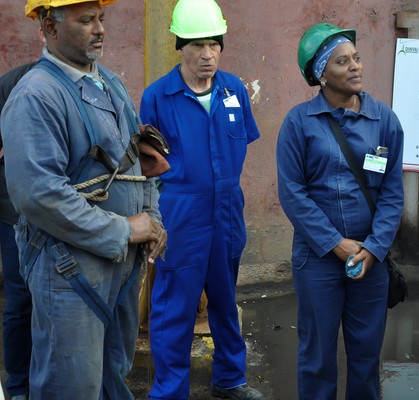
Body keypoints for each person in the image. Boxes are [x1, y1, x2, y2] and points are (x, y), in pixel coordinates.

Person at [0, 0, 168, 398]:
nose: (100, 30)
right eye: (86, 20)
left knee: (112, 377)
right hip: (68, 270)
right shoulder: (36, 96)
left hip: (119, 267)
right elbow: (39, 195)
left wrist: (152, 218)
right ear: (50, 26)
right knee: (70, 384)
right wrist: (124, 229)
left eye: (102, 19)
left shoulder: (109, 82)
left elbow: (135, 163)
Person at [138, 0, 262, 399]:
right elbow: (147, 165)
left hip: (227, 210)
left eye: (214, 45)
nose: (207, 55)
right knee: (174, 305)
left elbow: (242, 143)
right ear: (180, 47)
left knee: (226, 302)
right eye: (197, 46)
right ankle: (170, 390)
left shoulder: (234, 90)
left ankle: (230, 379)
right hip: (181, 212)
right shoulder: (158, 96)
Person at [276, 23, 404, 399]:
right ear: (320, 74)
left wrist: (374, 248)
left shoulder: (385, 122)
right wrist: (335, 244)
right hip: (317, 261)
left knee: (366, 358)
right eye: (342, 61)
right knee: (317, 357)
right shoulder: (299, 124)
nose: (355, 67)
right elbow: (293, 194)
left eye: (357, 58)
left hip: (370, 261)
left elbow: (393, 194)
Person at [0, 61, 36, 400]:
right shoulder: (12, 84)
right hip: (13, 216)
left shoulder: (93, 82)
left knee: (59, 304)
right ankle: (19, 385)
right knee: (20, 302)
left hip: (67, 218)